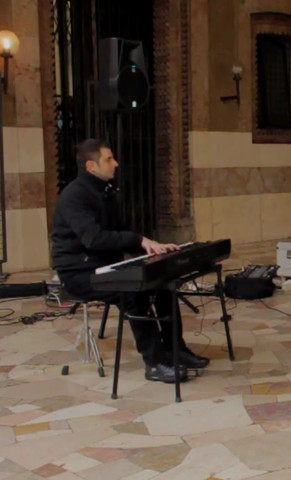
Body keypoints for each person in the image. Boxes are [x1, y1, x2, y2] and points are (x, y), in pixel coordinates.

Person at [51, 139, 210, 383]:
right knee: (133, 293)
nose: (116, 163)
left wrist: (149, 246)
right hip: (79, 272)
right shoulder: (75, 196)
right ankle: (154, 362)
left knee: (164, 284)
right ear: (91, 166)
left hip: (105, 266)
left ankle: (176, 350)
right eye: (109, 159)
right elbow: (93, 238)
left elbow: (121, 231)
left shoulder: (105, 190)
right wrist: (136, 240)